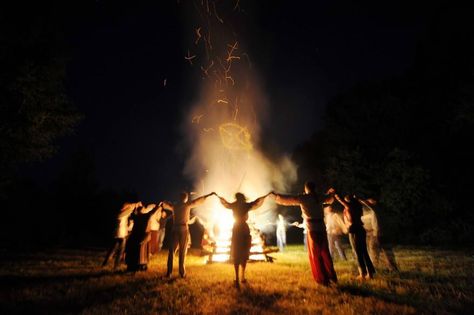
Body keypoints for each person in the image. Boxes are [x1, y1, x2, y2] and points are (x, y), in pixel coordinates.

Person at [271, 181, 337, 286]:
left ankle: (322, 279)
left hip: (312, 229)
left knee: (315, 254)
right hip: (321, 227)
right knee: (325, 252)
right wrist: (330, 193)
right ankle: (331, 276)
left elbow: (289, 199)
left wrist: (276, 196)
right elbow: (329, 199)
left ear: (306, 189)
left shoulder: (304, 198)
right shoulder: (319, 196)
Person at [217, 192, 271, 288]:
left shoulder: (234, 205)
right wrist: (265, 196)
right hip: (244, 229)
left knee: (236, 252)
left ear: (237, 198)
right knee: (244, 251)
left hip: (237, 228)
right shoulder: (246, 205)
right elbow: (256, 202)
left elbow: (226, 204)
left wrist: (218, 196)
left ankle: (237, 278)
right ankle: (242, 277)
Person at [162, 191, 215, 278]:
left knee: (172, 251)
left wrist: (162, 203)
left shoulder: (174, 205)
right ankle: (182, 273)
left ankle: (169, 272)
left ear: (180, 197)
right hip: (183, 229)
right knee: (182, 251)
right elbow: (198, 201)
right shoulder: (187, 205)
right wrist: (207, 195)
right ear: (186, 198)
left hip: (175, 228)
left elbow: (166, 204)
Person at [335, 193, 375, 280]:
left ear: (348, 201)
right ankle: (370, 273)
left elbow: (340, 200)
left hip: (354, 230)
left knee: (358, 252)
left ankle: (362, 274)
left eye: (346, 201)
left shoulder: (350, 206)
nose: (344, 203)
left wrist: (335, 194)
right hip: (360, 229)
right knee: (364, 251)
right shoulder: (358, 206)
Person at [360, 198, 399, 271]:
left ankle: (373, 268)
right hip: (384, 233)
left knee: (373, 251)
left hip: (377, 234)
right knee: (387, 251)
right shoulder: (379, 211)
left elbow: (367, 204)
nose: (369, 202)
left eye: (370, 200)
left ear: (375, 202)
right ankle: (393, 268)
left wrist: (359, 199)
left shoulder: (375, 209)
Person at [102, 202, 140, 269]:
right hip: (120, 235)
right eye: (127, 207)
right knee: (119, 251)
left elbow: (130, 213)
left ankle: (106, 264)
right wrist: (135, 204)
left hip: (120, 234)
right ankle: (115, 266)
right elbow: (130, 210)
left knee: (113, 250)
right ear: (125, 207)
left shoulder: (122, 214)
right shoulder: (121, 213)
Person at [125, 203, 161, 272]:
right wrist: (158, 205)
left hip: (135, 236)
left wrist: (135, 206)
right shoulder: (146, 216)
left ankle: (132, 266)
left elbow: (132, 213)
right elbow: (153, 211)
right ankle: (141, 266)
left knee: (134, 251)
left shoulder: (136, 216)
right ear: (143, 210)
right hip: (142, 236)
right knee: (142, 251)